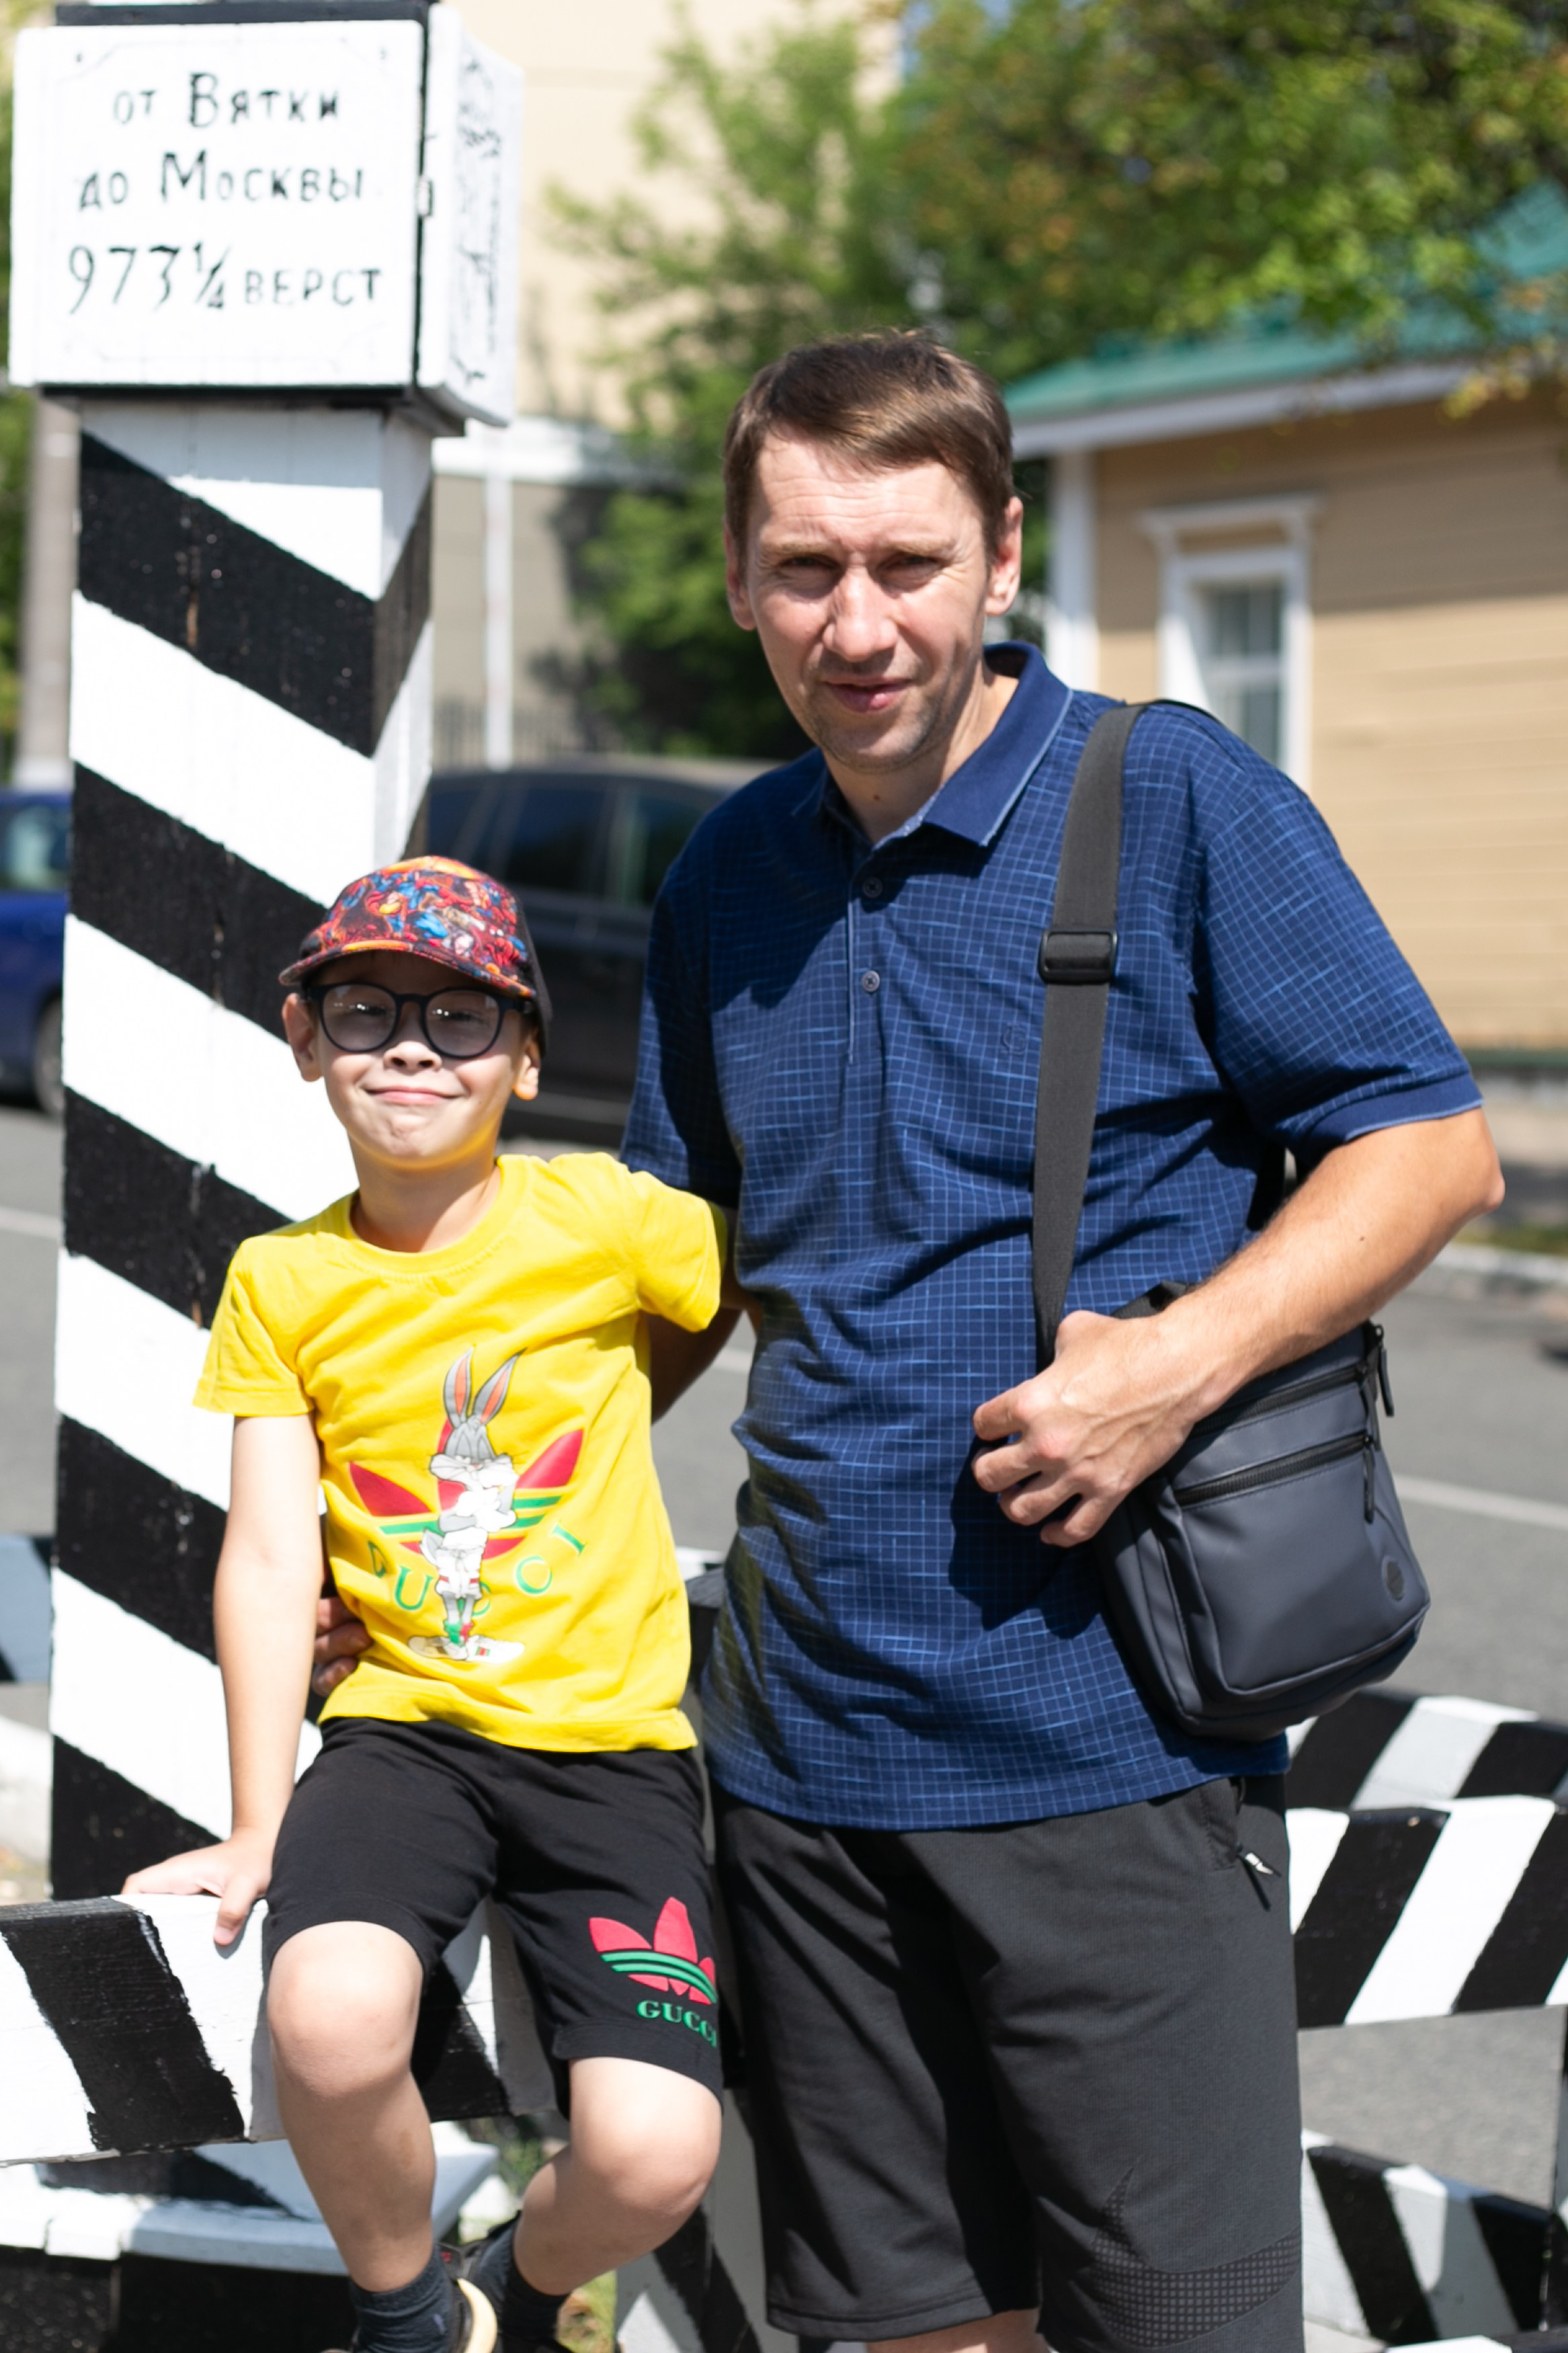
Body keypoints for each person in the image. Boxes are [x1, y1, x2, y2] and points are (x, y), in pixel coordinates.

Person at [313, 339, 1501, 2353]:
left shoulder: (1170, 794)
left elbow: (1431, 1146)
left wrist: (1170, 1362)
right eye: (801, 567)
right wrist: (434, 1546)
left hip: (1109, 1750)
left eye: (905, 559)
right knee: (914, 2331)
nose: (855, 622)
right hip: (797, 1774)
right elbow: (667, 1296)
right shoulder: (729, 872)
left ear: (999, 552)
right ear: (736, 579)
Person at [127, 858, 731, 2353]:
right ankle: (407, 2311)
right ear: (306, 1038)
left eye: (462, 1015)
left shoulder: (610, 1217)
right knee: (328, 2019)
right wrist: (263, 1823)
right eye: (368, 1007)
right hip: (405, 1741)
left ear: (527, 1058)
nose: (412, 1044)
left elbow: (783, 1287)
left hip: (617, 1756)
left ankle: (525, 2296)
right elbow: (272, 1557)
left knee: (654, 2149)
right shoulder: (281, 1279)